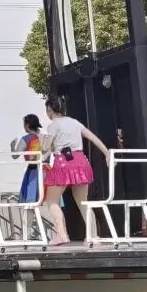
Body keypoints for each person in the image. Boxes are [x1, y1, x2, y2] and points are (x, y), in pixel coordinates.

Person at [41, 96, 110, 246]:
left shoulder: (53, 125)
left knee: (51, 200)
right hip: (80, 161)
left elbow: (46, 148)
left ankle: (61, 235)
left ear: (50, 110)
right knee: (83, 202)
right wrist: (107, 153)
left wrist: (43, 144)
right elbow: (93, 138)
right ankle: (93, 236)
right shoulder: (75, 122)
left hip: (63, 162)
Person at [12, 114, 45, 204]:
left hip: (33, 171)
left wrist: (12, 146)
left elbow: (15, 156)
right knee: (49, 200)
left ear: (27, 125)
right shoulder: (44, 137)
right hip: (46, 170)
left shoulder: (26, 139)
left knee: (30, 201)